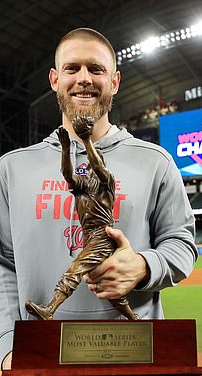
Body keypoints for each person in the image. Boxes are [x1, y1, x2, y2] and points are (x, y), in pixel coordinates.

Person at [0, 27, 197, 376]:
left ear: (114, 81)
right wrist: (10, 348)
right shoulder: (11, 168)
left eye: (96, 68)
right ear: (54, 79)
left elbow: (182, 244)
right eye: (72, 67)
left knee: (89, 277)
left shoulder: (155, 161)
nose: (83, 78)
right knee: (77, 275)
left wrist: (144, 266)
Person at [25, 115, 138, 321]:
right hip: (90, 237)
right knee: (106, 286)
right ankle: (132, 317)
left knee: (73, 272)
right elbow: (67, 174)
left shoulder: (107, 182)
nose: (86, 167)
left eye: (91, 165)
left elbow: (98, 166)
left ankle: (49, 310)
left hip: (103, 238)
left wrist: (86, 139)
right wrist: (66, 149)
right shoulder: (82, 187)